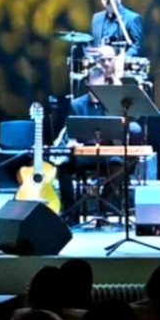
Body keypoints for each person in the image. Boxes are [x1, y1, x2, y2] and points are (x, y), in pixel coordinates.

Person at [54, 66, 128, 222]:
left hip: (106, 154)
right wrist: (74, 143)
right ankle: (70, 213)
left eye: (100, 86)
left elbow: (119, 132)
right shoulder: (76, 105)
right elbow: (71, 133)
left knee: (120, 166)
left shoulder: (111, 105)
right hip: (84, 154)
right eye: (94, 85)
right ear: (87, 83)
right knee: (63, 168)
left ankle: (102, 206)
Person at [86, 0, 144, 83]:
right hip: (100, 70)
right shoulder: (97, 18)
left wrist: (121, 60)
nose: (109, 2)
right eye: (105, 0)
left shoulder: (132, 18)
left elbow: (137, 45)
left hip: (121, 71)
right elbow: (93, 42)